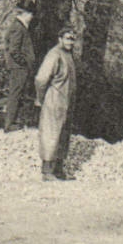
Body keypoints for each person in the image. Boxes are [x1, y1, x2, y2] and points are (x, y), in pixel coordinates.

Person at [34, 26, 79, 181]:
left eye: (73, 39)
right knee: (51, 134)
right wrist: (41, 98)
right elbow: (41, 79)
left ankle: (58, 170)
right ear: (60, 39)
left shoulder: (68, 55)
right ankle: (47, 171)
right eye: (67, 38)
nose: (70, 42)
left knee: (64, 134)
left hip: (67, 101)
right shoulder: (54, 55)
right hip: (54, 100)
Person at [1, 0, 37, 132]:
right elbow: (14, 50)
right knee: (15, 94)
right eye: (31, 14)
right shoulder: (18, 27)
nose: (32, 17)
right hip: (18, 67)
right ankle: (9, 124)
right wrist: (24, 62)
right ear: (25, 13)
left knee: (17, 93)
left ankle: (13, 122)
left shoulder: (19, 26)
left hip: (19, 67)